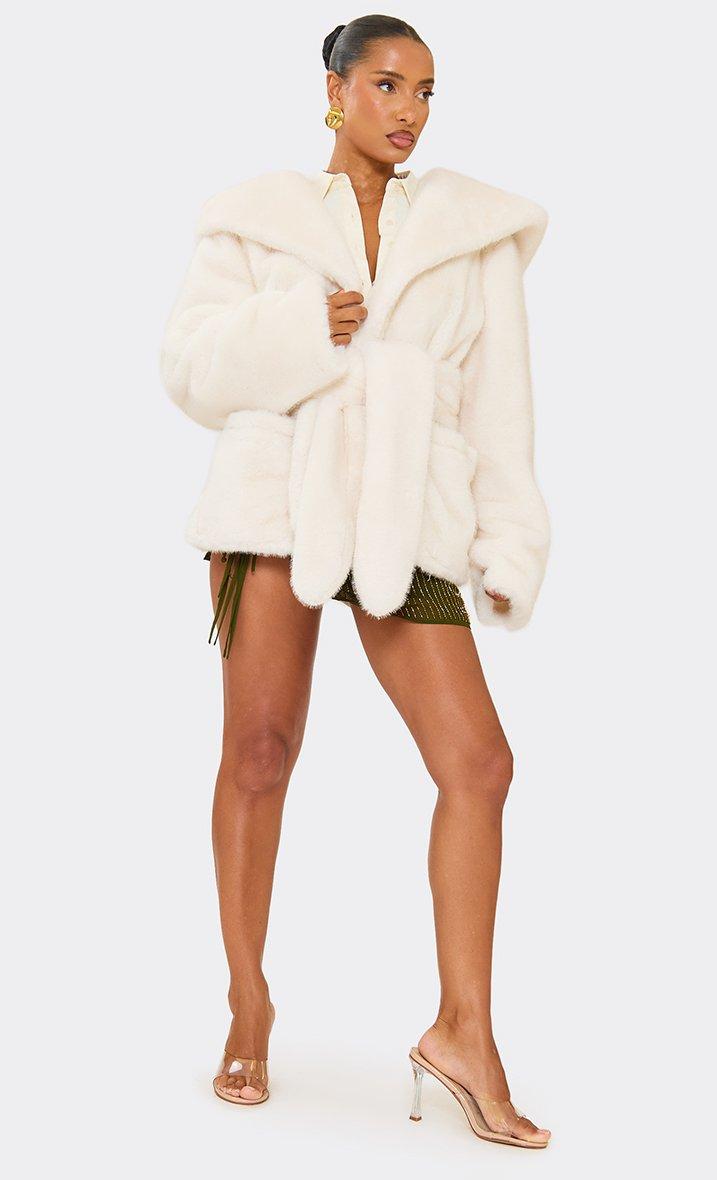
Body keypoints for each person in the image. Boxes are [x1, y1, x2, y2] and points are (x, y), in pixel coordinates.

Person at [160, 13, 551, 1148]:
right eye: (386, 84)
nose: (408, 110)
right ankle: (248, 1002)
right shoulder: (257, 217)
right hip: (276, 490)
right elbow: (187, 367)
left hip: (403, 511)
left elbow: (499, 407)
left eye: (426, 91)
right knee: (260, 751)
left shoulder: (472, 236)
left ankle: (463, 1034)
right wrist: (296, 331)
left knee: (480, 763)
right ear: (334, 91)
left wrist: (505, 539)